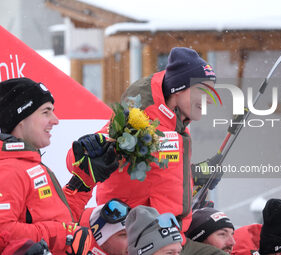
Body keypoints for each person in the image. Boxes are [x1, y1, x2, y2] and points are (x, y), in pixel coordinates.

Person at [66, 47, 224, 254]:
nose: (209, 99)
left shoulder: (177, 127)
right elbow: (82, 156)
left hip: (174, 235)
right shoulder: (139, 121)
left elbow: (161, 179)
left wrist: (195, 175)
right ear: (178, 89)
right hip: (141, 238)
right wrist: (89, 147)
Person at [0, 78, 119, 254]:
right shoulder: (9, 169)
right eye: (46, 112)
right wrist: (65, 235)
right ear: (21, 119)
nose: (55, 120)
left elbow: (58, 219)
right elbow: (3, 232)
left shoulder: (26, 162)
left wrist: (82, 182)